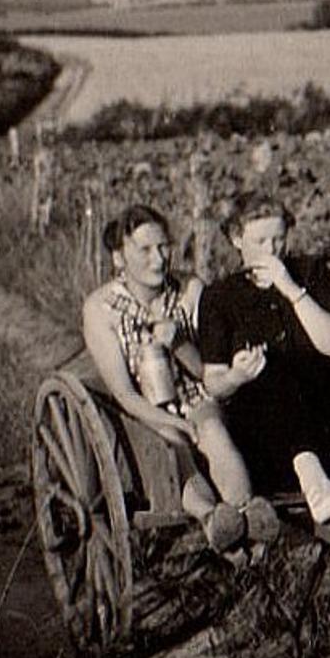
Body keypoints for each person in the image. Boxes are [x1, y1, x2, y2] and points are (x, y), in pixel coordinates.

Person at [82, 203, 281, 557]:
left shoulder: (189, 291)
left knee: (214, 431)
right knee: (173, 444)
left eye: (163, 247)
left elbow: (208, 370)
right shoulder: (102, 309)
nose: (158, 259)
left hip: (195, 394)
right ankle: (210, 518)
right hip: (144, 410)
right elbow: (124, 395)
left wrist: (178, 343)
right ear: (118, 257)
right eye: (144, 250)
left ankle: (246, 516)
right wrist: (171, 421)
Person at [197, 193, 330, 537]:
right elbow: (213, 382)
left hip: (326, 415)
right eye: (260, 241)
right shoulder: (220, 297)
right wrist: (237, 375)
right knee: (275, 374)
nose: (272, 250)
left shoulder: (309, 273)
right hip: (265, 433)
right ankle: (329, 493)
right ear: (237, 240)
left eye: (279, 239)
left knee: (327, 386)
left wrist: (290, 288)